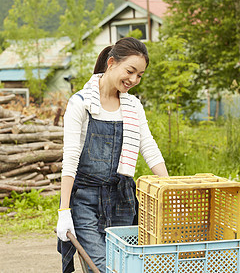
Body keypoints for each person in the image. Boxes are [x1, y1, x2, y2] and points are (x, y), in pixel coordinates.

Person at [56, 37, 169, 272]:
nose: (134, 80)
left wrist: (170, 189)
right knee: (101, 267)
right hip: (86, 202)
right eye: (130, 71)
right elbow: (70, 160)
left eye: (139, 75)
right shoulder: (81, 104)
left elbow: (148, 147)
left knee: (125, 267)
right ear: (111, 63)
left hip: (122, 201)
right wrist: (64, 211)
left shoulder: (133, 106)